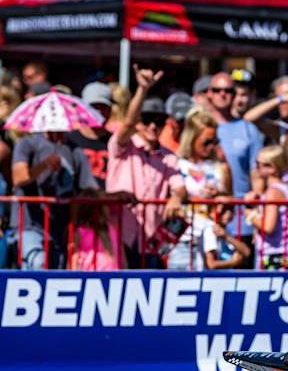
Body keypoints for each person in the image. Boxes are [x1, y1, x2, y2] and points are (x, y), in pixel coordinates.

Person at [106, 65, 186, 267]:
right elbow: (129, 123)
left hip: (151, 238)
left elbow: (179, 186)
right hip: (119, 233)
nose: (152, 126)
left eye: (158, 121)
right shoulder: (124, 144)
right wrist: (142, 89)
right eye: (148, 119)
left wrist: (176, 198)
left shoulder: (168, 156)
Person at [11, 130, 97, 269]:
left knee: (58, 276)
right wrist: (45, 164)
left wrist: (117, 195)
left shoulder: (74, 149)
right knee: (38, 263)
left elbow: (90, 189)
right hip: (30, 225)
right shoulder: (27, 143)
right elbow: (18, 178)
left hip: (60, 230)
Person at [168, 107, 232, 270]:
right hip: (182, 239)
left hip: (212, 241)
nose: (211, 147)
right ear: (192, 138)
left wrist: (220, 199)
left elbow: (230, 203)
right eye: (206, 142)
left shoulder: (221, 168)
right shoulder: (177, 165)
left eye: (214, 142)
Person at [205, 72, 261, 240]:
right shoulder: (201, 126)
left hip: (240, 222)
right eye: (217, 90)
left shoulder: (249, 129)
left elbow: (257, 178)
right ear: (209, 93)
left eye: (228, 90)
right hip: (205, 220)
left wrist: (255, 210)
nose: (222, 94)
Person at [243, 75, 288, 168]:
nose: (281, 104)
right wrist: (281, 99)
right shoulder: (284, 130)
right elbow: (248, 118)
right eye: (278, 98)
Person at [246, 145, 288, 270]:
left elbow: (268, 227)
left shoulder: (273, 192)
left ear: (272, 168)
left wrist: (250, 215)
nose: (256, 167)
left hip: (276, 255)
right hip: (280, 253)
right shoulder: (280, 188)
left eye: (260, 164)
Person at [66, 82, 113, 189]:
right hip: (77, 202)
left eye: (103, 107)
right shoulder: (70, 140)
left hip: (109, 203)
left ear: (110, 110)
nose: (99, 111)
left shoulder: (115, 142)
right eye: (93, 106)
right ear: (83, 108)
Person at [71, 189, 125, 271]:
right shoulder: (112, 229)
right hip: (105, 276)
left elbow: (73, 263)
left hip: (101, 277)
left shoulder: (80, 232)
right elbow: (123, 259)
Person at [203, 202, 251, 269]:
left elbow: (247, 252)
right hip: (214, 278)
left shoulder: (227, 230)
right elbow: (211, 265)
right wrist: (233, 262)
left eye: (231, 209)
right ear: (212, 213)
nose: (228, 213)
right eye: (224, 210)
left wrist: (226, 236)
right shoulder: (210, 229)